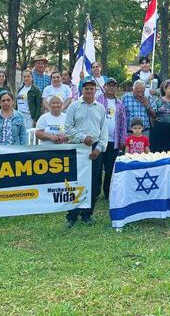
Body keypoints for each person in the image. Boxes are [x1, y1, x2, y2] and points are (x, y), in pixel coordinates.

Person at [64, 78, 107, 227]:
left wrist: (98, 149)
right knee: (75, 182)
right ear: (82, 90)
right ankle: (72, 215)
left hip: (94, 148)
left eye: (92, 89)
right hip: (78, 147)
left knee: (93, 183)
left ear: (95, 90)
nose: (89, 91)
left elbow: (104, 132)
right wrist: (83, 137)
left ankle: (87, 214)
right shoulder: (74, 106)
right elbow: (68, 128)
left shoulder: (101, 108)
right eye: (86, 88)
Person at [97, 78, 127, 199]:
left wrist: (122, 139)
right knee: (98, 167)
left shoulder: (119, 103)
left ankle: (108, 192)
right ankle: (96, 192)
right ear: (104, 87)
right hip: (99, 140)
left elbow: (123, 123)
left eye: (114, 86)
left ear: (116, 88)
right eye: (109, 86)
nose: (111, 88)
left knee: (110, 168)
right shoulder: (98, 100)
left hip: (113, 141)